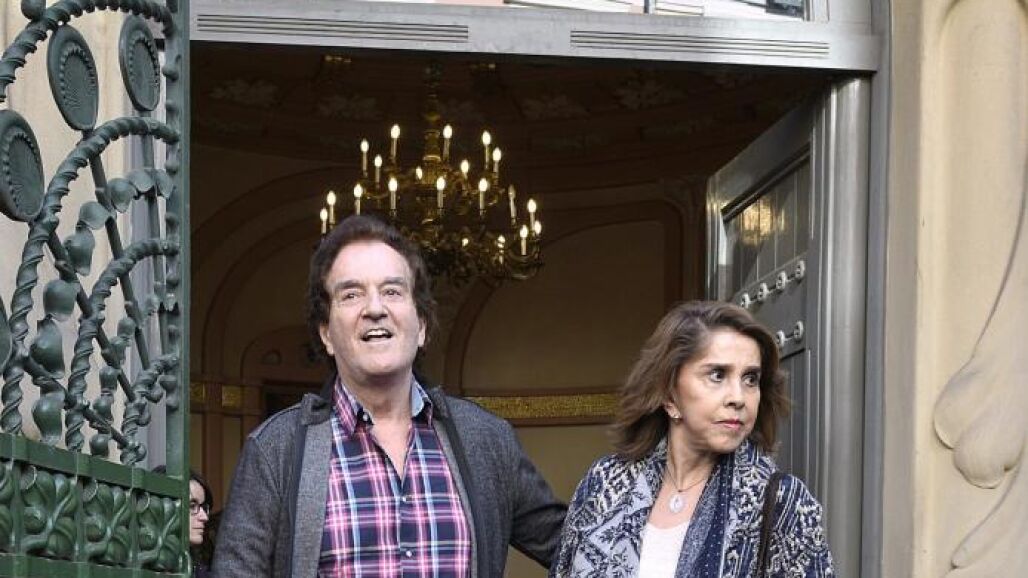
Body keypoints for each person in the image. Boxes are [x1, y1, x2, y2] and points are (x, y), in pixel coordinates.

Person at [213, 215, 566, 578]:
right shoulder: (275, 450)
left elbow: (576, 548)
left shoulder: (486, 439)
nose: (375, 309)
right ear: (326, 334)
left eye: (392, 291)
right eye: (351, 294)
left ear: (422, 326)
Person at [550, 301, 833, 577]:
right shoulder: (604, 484)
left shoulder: (783, 502)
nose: (738, 397)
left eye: (750, 379)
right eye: (717, 375)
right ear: (669, 393)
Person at [153, 466, 213, 577]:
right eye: (192, 506)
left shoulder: (199, 571)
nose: (204, 517)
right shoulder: (133, 568)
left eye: (204, 507)